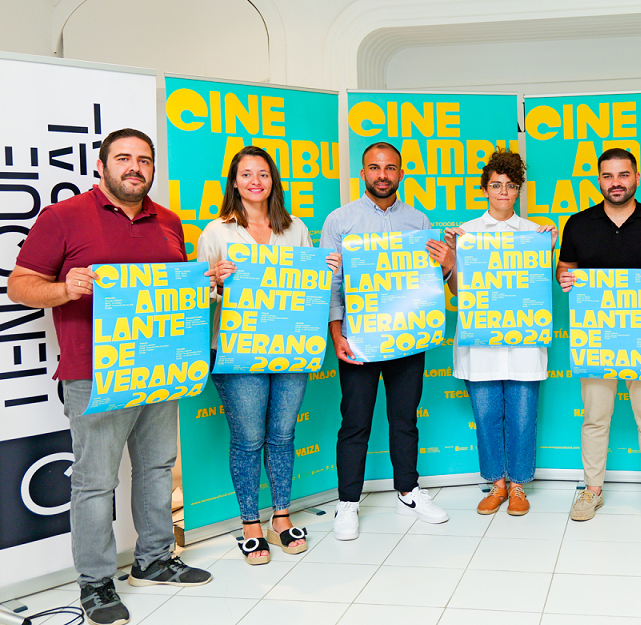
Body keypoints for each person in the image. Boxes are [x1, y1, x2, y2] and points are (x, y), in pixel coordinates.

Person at [8, 129, 211, 625]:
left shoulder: (169, 221)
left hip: (163, 367)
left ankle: (154, 560)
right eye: (124, 158)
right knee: (95, 482)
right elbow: (19, 284)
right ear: (102, 166)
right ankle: (96, 583)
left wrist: (203, 281)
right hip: (93, 373)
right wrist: (64, 287)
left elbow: (174, 288)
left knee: (158, 467)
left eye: (144, 160)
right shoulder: (63, 216)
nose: (134, 167)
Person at [198, 146, 341, 564]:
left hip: (291, 349)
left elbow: (308, 286)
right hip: (238, 348)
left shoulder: (295, 227)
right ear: (235, 182)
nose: (255, 181)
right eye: (246, 174)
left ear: (273, 180)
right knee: (247, 440)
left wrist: (325, 268)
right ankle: (249, 525)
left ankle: (281, 516)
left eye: (263, 173)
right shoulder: (218, 231)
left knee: (282, 436)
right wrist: (217, 283)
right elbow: (197, 293)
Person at [321, 141, 456, 540]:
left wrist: (446, 265)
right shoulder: (339, 220)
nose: (383, 174)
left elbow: (432, 283)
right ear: (362, 173)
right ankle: (347, 503)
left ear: (401, 173)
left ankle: (409, 491)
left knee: (404, 420)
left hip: (408, 340)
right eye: (374, 167)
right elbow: (332, 283)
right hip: (359, 340)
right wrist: (336, 333)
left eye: (390, 167)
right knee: (355, 422)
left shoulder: (418, 221)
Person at [556, 148, 641, 526]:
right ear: (599, 179)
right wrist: (565, 280)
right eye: (608, 176)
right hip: (595, 338)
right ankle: (592, 489)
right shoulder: (578, 224)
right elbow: (566, 272)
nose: (616, 182)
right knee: (596, 417)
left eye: (623, 175)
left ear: (636, 177)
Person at [445, 150, 556, 516]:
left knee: (523, 415)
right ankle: (496, 483)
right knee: (487, 414)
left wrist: (547, 247)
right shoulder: (467, 234)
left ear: (518, 189)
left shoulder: (534, 234)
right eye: (496, 185)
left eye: (510, 186)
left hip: (524, 342)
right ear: (485, 189)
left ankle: (519, 484)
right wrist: (451, 257)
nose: (503, 192)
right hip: (481, 343)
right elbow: (460, 290)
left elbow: (540, 287)